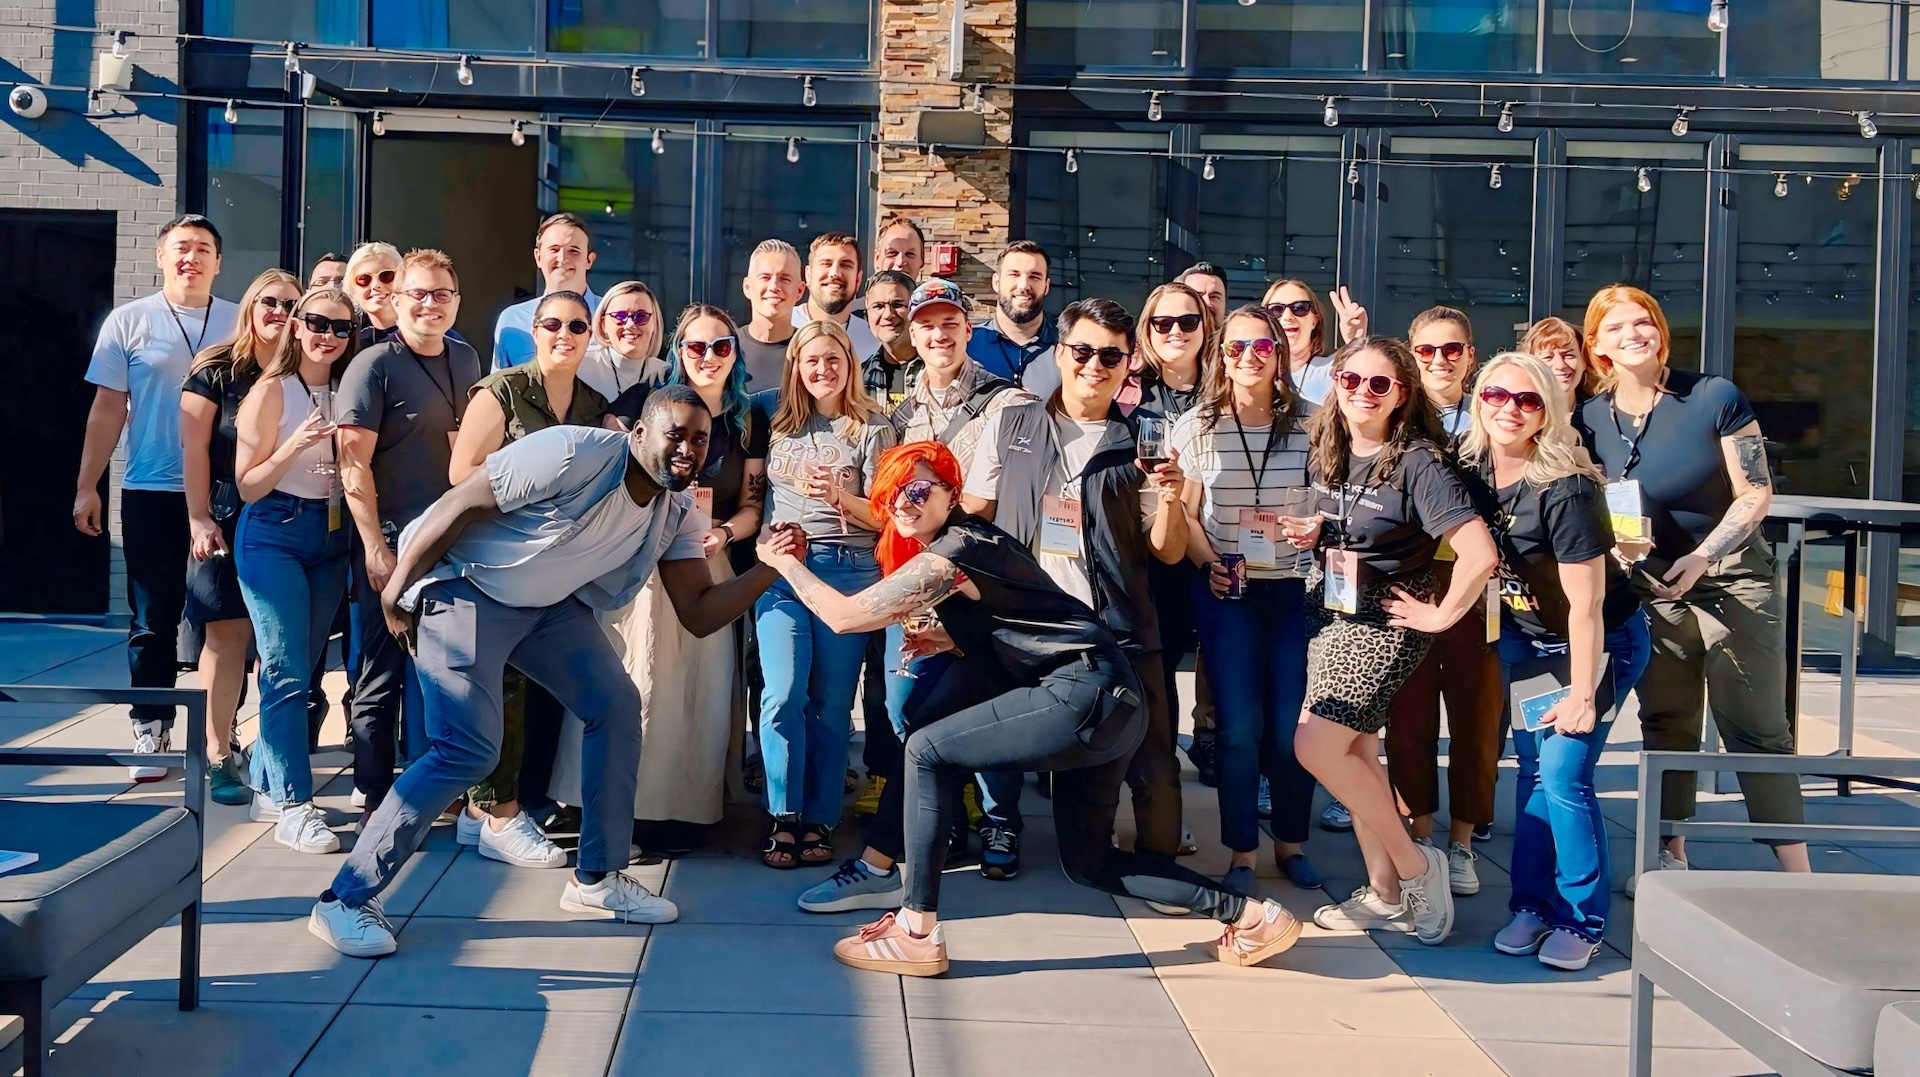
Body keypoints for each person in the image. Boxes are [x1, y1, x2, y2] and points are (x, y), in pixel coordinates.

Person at [759, 441, 1304, 976]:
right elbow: (1030, 617)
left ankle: (916, 931)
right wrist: (950, 641)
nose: (904, 500)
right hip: (1109, 698)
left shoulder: (956, 550)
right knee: (1090, 863)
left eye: (919, 488)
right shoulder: (975, 546)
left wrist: (785, 564)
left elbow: (846, 617)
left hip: (1081, 693)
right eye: (891, 493)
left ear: (952, 495)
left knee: (925, 751)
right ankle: (1253, 916)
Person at [308, 388, 807, 957]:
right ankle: (344, 900)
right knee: (466, 751)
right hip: (464, 589)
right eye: (675, 434)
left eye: (699, 439)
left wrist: (772, 568)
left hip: (546, 609)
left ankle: (597, 878)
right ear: (638, 433)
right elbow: (459, 504)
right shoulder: (573, 451)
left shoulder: (676, 512)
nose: (688, 449)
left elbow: (698, 613)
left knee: (616, 708)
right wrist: (396, 595)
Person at [1576, 285, 1808, 887]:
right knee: (1667, 721)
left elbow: (1755, 491)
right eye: (1618, 327)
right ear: (1597, 345)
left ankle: (1798, 870)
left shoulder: (1712, 396)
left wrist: (1704, 556)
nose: (1635, 334)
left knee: (1757, 725)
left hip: (1731, 577)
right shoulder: (1589, 417)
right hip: (1650, 586)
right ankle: (1668, 852)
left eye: (1644, 322)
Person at [972, 298, 1191, 883]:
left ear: (1128, 366)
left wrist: (1171, 498)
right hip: (1025, 623)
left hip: (1114, 627)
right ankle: (1002, 830)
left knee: (1153, 761)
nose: (1095, 365)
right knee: (994, 736)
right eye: (1084, 351)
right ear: (1060, 353)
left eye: (1111, 356)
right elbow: (977, 511)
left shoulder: (1139, 445)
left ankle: (1160, 868)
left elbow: (1167, 550)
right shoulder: (1012, 420)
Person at [1291, 335, 1497, 946]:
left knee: (1315, 746)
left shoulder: (1419, 462)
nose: (1362, 393)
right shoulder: (1331, 447)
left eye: (1379, 384)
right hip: (1329, 616)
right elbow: (1357, 523)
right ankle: (1382, 892)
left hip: (1384, 626)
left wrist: (1442, 617)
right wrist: (1319, 531)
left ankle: (1415, 866)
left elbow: (1478, 554)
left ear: (1401, 394)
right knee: (1356, 758)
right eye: (1351, 380)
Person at [1461, 352, 1652, 971]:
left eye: (1527, 400)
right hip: (1528, 642)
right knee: (1534, 773)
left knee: (1566, 775)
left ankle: (1582, 917)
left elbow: (1588, 606)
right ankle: (1532, 906)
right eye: (1495, 395)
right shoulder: (1469, 470)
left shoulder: (1566, 487)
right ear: (1477, 400)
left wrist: (1582, 695)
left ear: (1549, 411)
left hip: (1595, 643)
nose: (1508, 410)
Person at [561, 304, 767, 854]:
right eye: (696, 346)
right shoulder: (643, 403)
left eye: (721, 346)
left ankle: (686, 810)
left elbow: (752, 506)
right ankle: (617, 809)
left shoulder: (749, 420)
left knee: (698, 691)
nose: (708, 357)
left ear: (735, 353)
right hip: (639, 559)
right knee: (637, 679)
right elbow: (610, 472)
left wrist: (722, 534)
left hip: (706, 561)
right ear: (679, 351)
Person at [445, 291, 608, 868]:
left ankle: (485, 811)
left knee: (544, 691)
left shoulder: (594, 404)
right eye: (553, 325)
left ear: (593, 335)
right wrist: (533, 491)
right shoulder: (503, 391)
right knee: (503, 685)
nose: (565, 334)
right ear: (532, 330)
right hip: (496, 556)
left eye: (578, 326)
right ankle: (498, 814)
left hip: (557, 563)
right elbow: (462, 473)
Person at [75, 214, 240, 780]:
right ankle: (151, 726)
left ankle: (224, 732)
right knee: (152, 616)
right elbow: (107, 409)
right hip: (150, 487)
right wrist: (86, 485)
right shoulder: (129, 321)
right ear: (160, 256)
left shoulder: (242, 320)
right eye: (180, 248)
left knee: (223, 619)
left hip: (224, 492)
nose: (190, 258)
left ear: (219, 261)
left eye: (202, 249)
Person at [1170, 304, 1322, 895]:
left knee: (1289, 729)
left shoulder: (1315, 422)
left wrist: (1314, 528)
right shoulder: (1197, 426)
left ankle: (1291, 842)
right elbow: (1182, 510)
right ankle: (1241, 850)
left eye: (1263, 347)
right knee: (1236, 727)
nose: (1250, 358)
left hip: (1291, 587)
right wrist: (1209, 564)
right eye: (1237, 348)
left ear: (1280, 354)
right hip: (1225, 587)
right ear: (1220, 357)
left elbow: (1331, 498)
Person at [336, 249, 485, 814]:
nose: (429, 304)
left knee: (439, 671)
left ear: (456, 302)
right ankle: (375, 794)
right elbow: (353, 466)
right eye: (417, 294)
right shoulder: (371, 366)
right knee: (380, 673)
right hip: (392, 541)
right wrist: (375, 546)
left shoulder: (468, 360)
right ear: (396, 301)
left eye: (441, 294)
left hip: (450, 543)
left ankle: (432, 792)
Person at [755, 320, 897, 867]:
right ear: (795, 364)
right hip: (786, 572)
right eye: (810, 360)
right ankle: (781, 814)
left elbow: (886, 516)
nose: (822, 369)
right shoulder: (771, 415)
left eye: (833, 359)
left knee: (834, 706)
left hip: (849, 570)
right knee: (783, 692)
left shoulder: (873, 427)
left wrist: (841, 496)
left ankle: (819, 819)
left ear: (850, 364)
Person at [232, 287, 358, 851]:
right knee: (284, 668)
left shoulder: (348, 387)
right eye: (317, 323)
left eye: (340, 327)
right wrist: (296, 446)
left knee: (303, 668)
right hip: (274, 532)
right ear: (297, 326)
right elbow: (247, 484)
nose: (327, 335)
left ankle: (265, 780)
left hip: (331, 535)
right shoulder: (272, 390)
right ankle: (294, 804)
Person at [1385, 305, 1503, 894]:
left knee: (1477, 721)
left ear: (1470, 356)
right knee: (1408, 719)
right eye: (1427, 351)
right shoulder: (1397, 414)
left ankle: (1462, 844)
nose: (1438, 361)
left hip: (1479, 587)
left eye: (1451, 350)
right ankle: (1420, 835)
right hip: (1409, 578)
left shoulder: (1494, 415)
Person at [180, 267, 299, 804]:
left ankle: (270, 752)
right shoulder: (217, 369)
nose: (280, 312)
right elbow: (194, 450)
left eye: (291, 305)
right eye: (269, 301)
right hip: (226, 515)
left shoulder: (312, 372)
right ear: (250, 306)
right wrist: (199, 517)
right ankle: (217, 754)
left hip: (292, 518)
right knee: (225, 637)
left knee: (277, 644)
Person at [492, 212, 601, 372]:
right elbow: (498, 390)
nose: (562, 258)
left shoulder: (612, 318)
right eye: (554, 249)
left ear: (589, 260)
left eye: (574, 251)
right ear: (538, 257)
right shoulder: (511, 320)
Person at [1260, 279, 1364, 407]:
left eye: (1299, 308)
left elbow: (1363, 384)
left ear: (1314, 320)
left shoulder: (1333, 368)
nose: (1287, 316)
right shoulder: (1255, 370)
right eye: (1276, 310)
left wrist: (1356, 343)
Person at [967, 241, 1056, 389]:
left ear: (1046, 286)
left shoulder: (1066, 348)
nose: (1023, 285)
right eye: (1014, 274)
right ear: (996, 282)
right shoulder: (966, 344)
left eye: (1034, 276)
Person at [793, 232, 879, 361]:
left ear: (858, 280)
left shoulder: (873, 342)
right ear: (808, 275)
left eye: (846, 265)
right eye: (826, 264)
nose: (835, 273)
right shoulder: (784, 326)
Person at [579, 280, 667, 402]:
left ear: (655, 324)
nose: (630, 324)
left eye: (641, 316)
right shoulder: (580, 365)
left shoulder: (665, 374)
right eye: (620, 316)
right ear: (603, 324)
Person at [738, 239, 803, 391]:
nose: (774, 286)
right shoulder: (725, 350)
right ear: (747, 287)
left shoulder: (811, 351)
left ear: (799, 290)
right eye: (765, 277)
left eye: (785, 279)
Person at [860, 270, 918, 412]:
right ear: (867, 317)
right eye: (878, 306)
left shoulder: (939, 373)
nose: (888, 314)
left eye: (898, 304)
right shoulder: (857, 379)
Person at [1522, 316, 1591, 411]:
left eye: (1569, 355)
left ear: (1584, 362)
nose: (1560, 365)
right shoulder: (1522, 415)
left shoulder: (1602, 415)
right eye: (1548, 357)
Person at [344, 242, 403, 343]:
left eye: (386, 275)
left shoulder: (430, 334)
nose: (376, 285)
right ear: (352, 290)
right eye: (364, 279)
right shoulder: (350, 345)